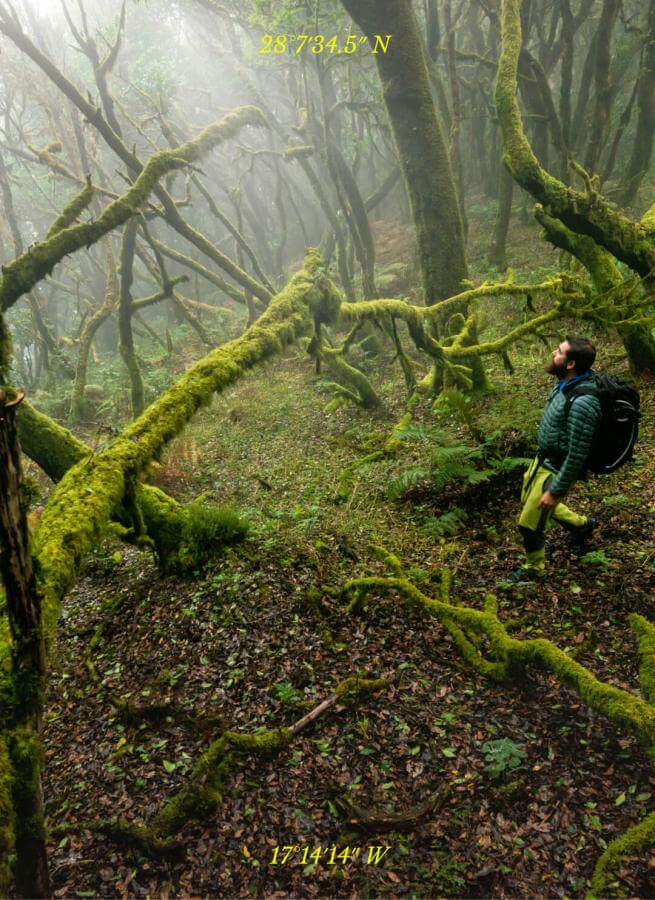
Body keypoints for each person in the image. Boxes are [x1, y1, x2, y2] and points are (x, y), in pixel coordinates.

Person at [514, 335, 601, 580]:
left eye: (559, 352)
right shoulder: (564, 382)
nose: (553, 353)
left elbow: (577, 453)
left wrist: (556, 491)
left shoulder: (584, 401)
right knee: (529, 499)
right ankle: (581, 525)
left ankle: (534, 569)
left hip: (555, 469)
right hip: (542, 460)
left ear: (571, 363)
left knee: (529, 525)